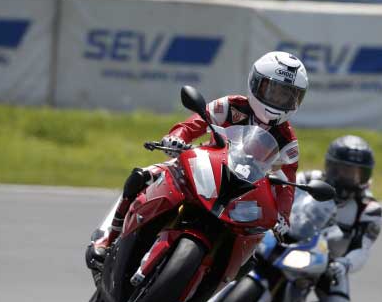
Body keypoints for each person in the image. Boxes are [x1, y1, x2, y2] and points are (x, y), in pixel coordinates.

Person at [85, 51, 309, 284]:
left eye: (286, 95)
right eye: (273, 90)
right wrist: (176, 137)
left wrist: (283, 216)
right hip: (205, 165)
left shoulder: (288, 140)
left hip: (244, 191)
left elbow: (287, 182)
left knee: (251, 248)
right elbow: (195, 123)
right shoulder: (231, 105)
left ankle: (210, 289)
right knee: (143, 177)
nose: (278, 99)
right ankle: (107, 239)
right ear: (256, 83)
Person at [269, 135, 382, 302]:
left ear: (365, 175)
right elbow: (278, 196)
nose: (345, 176)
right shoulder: (308, 179)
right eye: (340, 169)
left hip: (328, 261)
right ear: (329, 166)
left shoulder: (369, 209)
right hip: (286, 236)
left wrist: (344, 264)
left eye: (353, 172)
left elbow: (362, 248)